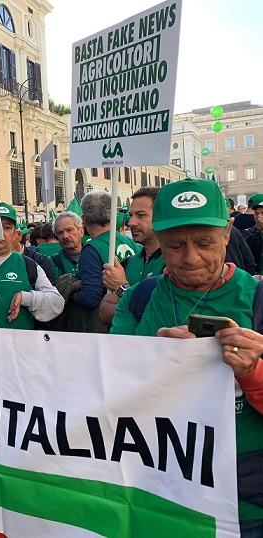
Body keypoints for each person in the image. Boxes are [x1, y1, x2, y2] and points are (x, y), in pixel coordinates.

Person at [109, 178, 263, 535]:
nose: (191, 257)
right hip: (163, 492)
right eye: (175, 245)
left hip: (245, 502)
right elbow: (112, 394)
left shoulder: (256, 298)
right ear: (158, 242)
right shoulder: (141, 298)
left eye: (204, 242)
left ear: (227, 233)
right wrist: (157, 362)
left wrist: (253, 370)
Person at [0, 203, 63, 329]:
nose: (0, 232)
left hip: (17, 346)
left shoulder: (29, 266)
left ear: (15, 234)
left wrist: (26, 298)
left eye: (7, 227)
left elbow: (56, 303)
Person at [70, 191, 139, 332]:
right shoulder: (135, 244)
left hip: (111, 325)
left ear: (83, 220)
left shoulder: (92, 249)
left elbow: (91, 298)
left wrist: (68, 293)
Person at [100, 187, 164, 325]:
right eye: (131, 215)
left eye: (141, 215)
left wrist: (122, 287)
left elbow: (161, 313)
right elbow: (104, 313)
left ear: (161, 216)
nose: (131, 222)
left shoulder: (175, 265)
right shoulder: (128, 263)